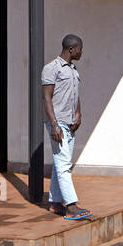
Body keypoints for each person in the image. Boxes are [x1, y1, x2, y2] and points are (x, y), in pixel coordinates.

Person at [41, 34, 90, 219]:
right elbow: (46, 98)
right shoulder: (51, 69)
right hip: (58, 122)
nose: (81, 52)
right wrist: (54, 124)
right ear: (71, 49)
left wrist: (78, 114)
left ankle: (55, 203)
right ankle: (71, 206)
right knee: (63, 165)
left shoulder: (73, 70)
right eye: (80, 49)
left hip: (70, 123)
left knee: (60, 164)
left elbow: (75, 95)